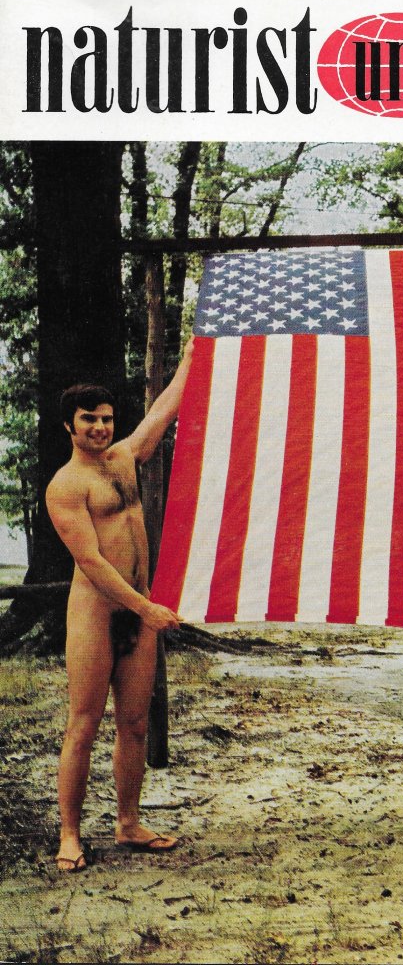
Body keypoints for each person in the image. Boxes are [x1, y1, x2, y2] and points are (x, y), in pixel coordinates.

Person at [46, 339, 193, 873]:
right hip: (95, 614)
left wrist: (192, 358)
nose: (100, 428)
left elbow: (161, 413)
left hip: (138, 613)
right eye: (89, 419)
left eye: (106, 419)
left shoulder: (126, 458)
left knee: (134, 724)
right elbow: (91, 562)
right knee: (83, 724)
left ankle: (128, 823)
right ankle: (69, 834)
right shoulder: (66, 485)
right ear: (69, 425)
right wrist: (147, 608)